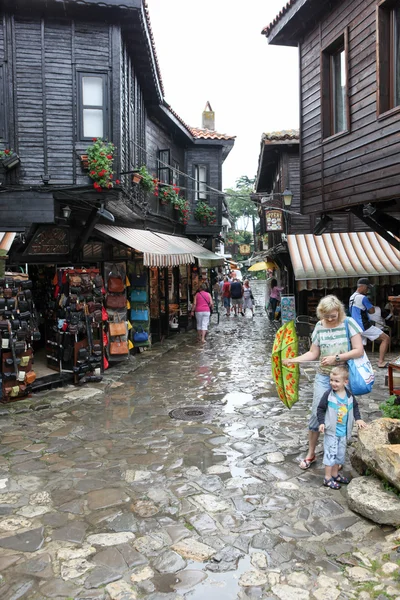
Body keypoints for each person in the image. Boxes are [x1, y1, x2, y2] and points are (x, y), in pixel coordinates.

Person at [282, 295, 364, 470]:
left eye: (333, 316)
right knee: (316, 413)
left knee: (341, 416)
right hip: (323, 377)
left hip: (343, 377)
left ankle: (336, 455)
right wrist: (294, 360)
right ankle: (311, 452)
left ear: (339, 312)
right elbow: (313, 353)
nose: (329, 319)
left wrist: (337, 358)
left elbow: (359, 350)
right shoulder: (319, 326)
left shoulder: (348, 323)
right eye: (326, 316)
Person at [317, 365, 367, 489]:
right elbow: (320, 409)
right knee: (330, 455)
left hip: (343, 432)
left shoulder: (349, 396)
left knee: (339, 455)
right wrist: (322, 422)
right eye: (331, 380)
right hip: (331, 431)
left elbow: (355, 407)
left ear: (345, 382)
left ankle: (335, 474)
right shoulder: (328, 395)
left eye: (336, 381)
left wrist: (358, 418)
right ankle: (327, 478)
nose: (333, 383)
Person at [349, 278, 390, 368]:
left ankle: (358, 365)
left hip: (355, 326)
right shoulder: (363, 298)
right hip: (364, 326)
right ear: (362, 287)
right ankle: (381, 362)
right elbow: (372, 311)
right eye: (367, 288)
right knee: (385, 338)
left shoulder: (352, 297)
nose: (368, 290)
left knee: (360, 347)